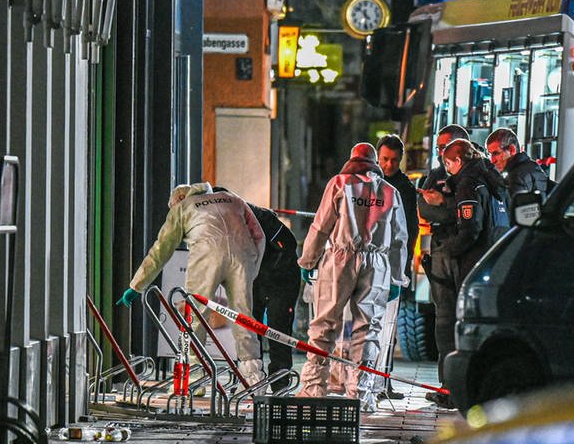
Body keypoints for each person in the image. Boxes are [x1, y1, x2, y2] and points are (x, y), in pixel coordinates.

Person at [119, 181, 265, 387]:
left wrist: (136, 285)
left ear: (178, 199)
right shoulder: (232, 198)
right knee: (243, 316)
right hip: (242, 257)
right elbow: (259, 235)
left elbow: (160, 250)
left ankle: (195, 379)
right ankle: (253, 378)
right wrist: (252, 268)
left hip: (207, 256)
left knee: (195, 315)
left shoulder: (183, 207)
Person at [297, 142, 408, 412]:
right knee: (367, 329)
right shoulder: (390, 191)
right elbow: (399, 238)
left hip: (340, 260)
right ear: (375, 162)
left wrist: (308, 260)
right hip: (377, 264)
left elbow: (321, 224)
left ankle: (314, 389)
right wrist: (396, 277)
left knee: (324, 323)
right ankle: (361, 393)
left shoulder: (340, 183)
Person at [419, 138, 506, 408]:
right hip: (486, 263)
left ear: (457, 160)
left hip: (467, 262)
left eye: (447, 162)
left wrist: (448, 250)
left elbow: (470, 227)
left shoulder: (469, 182)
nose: (446, 167)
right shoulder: (489, 178)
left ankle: (452, 390)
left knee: (450, 325)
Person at [376, 133, 419, 400]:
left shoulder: (404, 188)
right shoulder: (368, 182)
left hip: (391, 263)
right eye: (384, 159)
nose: (388, 165)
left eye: (393, 160)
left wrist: (402, 267)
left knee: (388, 325)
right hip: (367, 263)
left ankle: (385, 381)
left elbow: (411, 229)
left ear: (400, 159)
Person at [243, 198, 302, 379]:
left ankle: (280, 381)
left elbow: (289, 244)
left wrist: (266, 271)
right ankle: (253, 379)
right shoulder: (226, 218)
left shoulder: (261, 218)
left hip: (282, 277)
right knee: (251, 330)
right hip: (256, 275)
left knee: (278, 328)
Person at [484, 126, 553, 210]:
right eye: (490, 155)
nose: (492, 160)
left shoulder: (516, 176)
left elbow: (514, 212)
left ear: (512, 149)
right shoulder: (533, 167)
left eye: (496, 153)